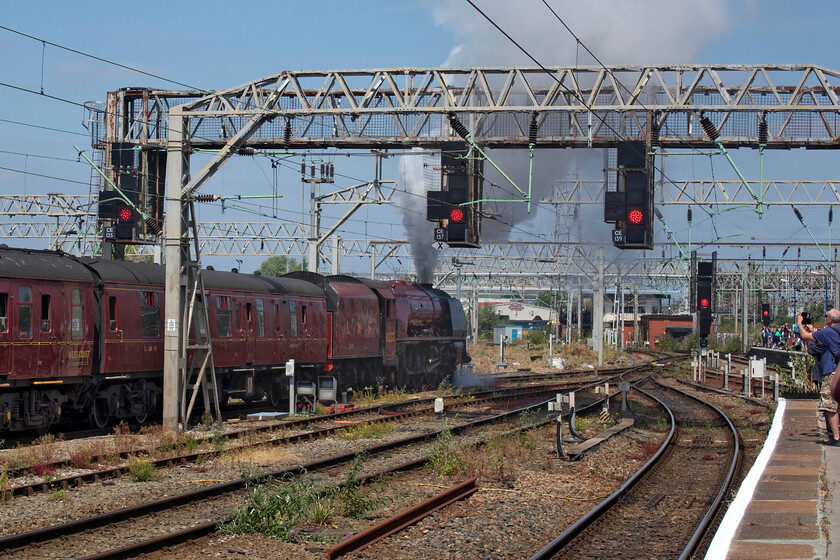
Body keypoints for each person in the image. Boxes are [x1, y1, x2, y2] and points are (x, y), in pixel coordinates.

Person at [798, 309, 840, 444]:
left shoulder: (828, 332)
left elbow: (805, 336)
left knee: (829, 406)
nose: (825, 318)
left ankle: (836, 437)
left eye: (826, 316)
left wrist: (799, 323)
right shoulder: (833, 333)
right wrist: (814, 330)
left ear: (830, 320)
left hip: (832, 372)